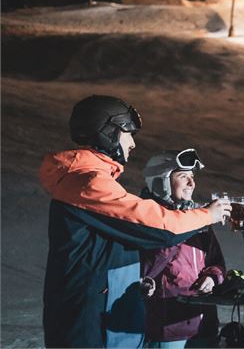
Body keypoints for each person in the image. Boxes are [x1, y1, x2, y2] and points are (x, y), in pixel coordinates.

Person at [39, 95, 232, 348]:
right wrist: (208, 214)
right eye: (128, 134)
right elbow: (161, 228)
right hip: (89, 320)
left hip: (102, 313)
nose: (132, 143)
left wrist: (137, 281)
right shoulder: (89, 183)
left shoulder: (93, 181)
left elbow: (107, 249)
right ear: (108, 132)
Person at [139, 149, 226, 348]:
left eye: (192, 177)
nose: (191, 184)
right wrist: (180, 225)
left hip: (204, 324)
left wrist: (212, 278)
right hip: (169, 328)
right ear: (162, 182)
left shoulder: (199, 217)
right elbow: (145, 270)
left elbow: (217, 263)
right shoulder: (144, 217)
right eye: (183, 176)